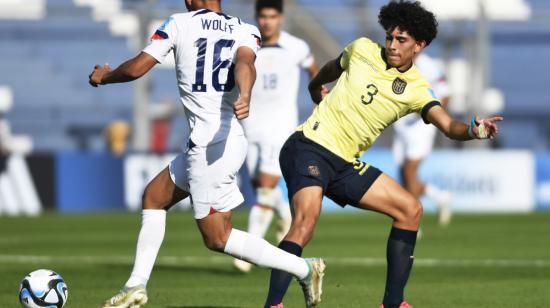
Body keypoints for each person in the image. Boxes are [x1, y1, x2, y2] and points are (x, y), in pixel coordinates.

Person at [262, 1, 503, 308]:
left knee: (410, 210)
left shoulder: (417, 88)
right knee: (305, 222)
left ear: (420, 45)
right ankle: (272, 305)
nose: (391, 44)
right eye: (390, 37)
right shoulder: (362, 48)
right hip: (309, 145)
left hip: (344, 162)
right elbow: (332, 67)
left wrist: (474, 130)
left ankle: (392, 303)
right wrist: (315, 86)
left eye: (401, 40)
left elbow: (448, 125)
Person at [88, 1, 324, 307]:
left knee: (217, 238)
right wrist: (246, 93)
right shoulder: (245, 29)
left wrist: (105, 76)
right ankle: (136, 285)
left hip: (210, 145)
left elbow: (137, 67)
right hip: (225, 137)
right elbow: (245, 64)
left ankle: (304, 268)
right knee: (154, 197)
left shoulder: (178, 23)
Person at [234, 0, 321, 274]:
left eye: (272, 16)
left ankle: (249, 250)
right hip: (250, 124)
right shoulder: (247, 45)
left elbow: (313, 72)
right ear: (257, 17)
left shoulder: (296, 47)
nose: (267, 21)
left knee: (267, 184)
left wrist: (321, 95)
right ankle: (285, 216)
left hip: (280, 126)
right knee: (260, 183)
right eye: (263, 16)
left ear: (280, 18)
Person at [392, 53, 452, 226]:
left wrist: (431, 115)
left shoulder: (427, 65)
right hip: (402, 126)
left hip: (420, 127)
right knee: (404, 176)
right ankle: (439, 197)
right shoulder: (397, 61)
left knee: (409, 171)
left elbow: (446, 95)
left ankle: (412, 222)